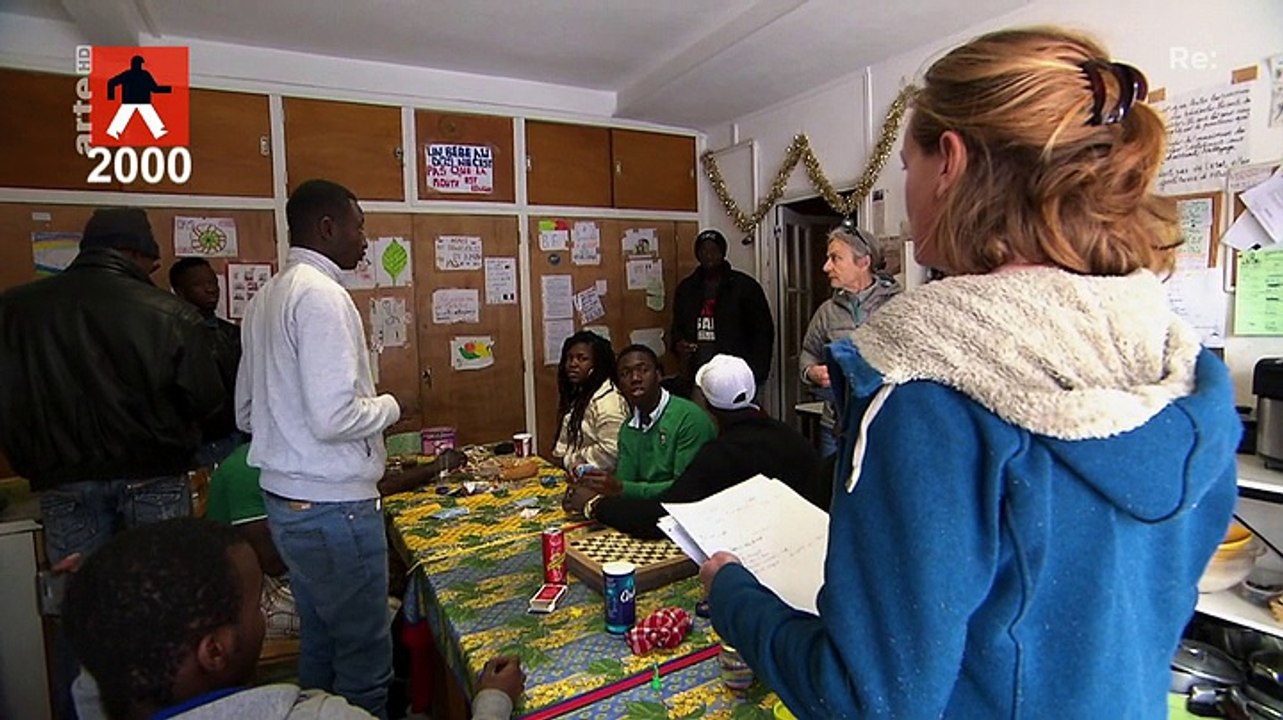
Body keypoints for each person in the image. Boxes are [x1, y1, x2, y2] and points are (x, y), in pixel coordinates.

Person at [700, 27, 1240, 720]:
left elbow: (864, 701)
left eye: (906, 162)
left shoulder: (924, 397)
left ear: (948, 162)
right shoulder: (1190, 385)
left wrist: (736, 597)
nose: (907, 186)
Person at [0, 207, 225, 719]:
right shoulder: (167, 314)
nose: (151, 273)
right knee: (165, 612)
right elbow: (209, 403)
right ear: (136, 254)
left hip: (62, 485)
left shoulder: (14, 312)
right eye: (150, 264)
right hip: (154, 477)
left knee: (78, 611)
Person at [61, 518, 525, 720]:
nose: (262, 614)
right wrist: (491, 703)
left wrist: (91, 592)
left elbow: (89, 681)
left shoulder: (102, 693)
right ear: (215, 651)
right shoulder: (318, 715)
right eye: (252, 606)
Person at [236, 179, 402, 718]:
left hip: (287, 504)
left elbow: (245, 413)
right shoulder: (322, 296)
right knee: (364, 656)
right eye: (359, 227)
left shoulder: (267, 297)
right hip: (336, 507)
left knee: (322, 644)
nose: (365, 241)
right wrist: (391, 407)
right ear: (327, 228)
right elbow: (335, 417)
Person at [206, 441, 469, 639]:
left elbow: (370, 485)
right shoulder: (251, 468)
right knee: (380, 612)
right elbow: (274, 562)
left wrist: (435, 467)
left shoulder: (287, 453)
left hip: (283, 574)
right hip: (257, 597)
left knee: (388, 580)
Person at [565, 354, 819, 538]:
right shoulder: (794, 440)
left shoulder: (718, 455)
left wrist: (595, 504)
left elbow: (664, 517)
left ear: (705, 402)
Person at [799, 224, 902, 458]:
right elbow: (808, 352)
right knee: (831, 490)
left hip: (883, 424)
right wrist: (811, 372)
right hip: (834, 426)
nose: (826, 267)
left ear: (863, 262)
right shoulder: (827, 312)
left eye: (835, 258)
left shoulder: (898, 308)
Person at [577, 345, 716, 500]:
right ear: (620, 386)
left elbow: (685, 490)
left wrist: (620, 488)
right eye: (625, 374)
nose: (635, 378)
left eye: (643, 370)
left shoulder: (689, 418)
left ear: (658, 375)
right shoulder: (628, 428)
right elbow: (625, 485)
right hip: (645, 508)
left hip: (685, 509)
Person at [671, 228, 774, 395]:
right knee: (702, 418)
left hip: (735, 374)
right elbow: (677, 327)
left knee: (734, 418)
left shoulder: (745, 286)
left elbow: (762, 332)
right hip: (698, 373)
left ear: (723, 252)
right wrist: (678, 345)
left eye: (713, 250)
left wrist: (757, 372)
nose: (708, 255)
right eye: (703, 250)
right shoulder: (686, 288)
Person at [171, 257, 245, 466]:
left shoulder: (231, 334)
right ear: (180, 291)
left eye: (213, 282)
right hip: (190, 442)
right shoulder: (171, 335)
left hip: (233, 435)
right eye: (199, 285)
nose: (211, 289)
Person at [551, 331, 629, 474]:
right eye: (570, 358)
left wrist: (568, 460)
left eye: (582, 359)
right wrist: (561, 458)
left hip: (602, 484)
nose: (573, 364)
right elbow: (563, 447)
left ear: (597, 365)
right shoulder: (581, 394)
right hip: (575, 476)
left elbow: (612, 452)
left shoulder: (608, 401)